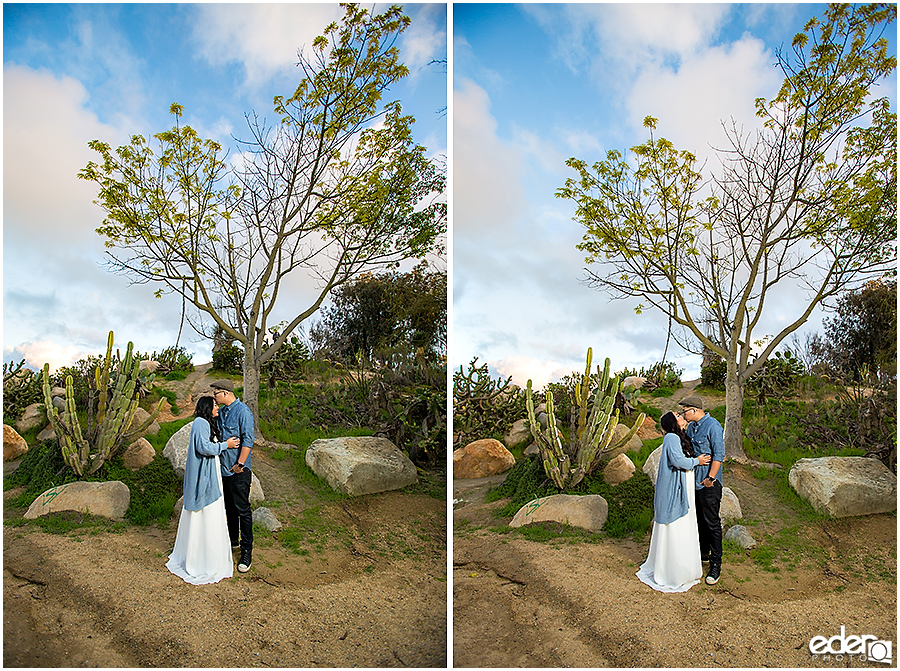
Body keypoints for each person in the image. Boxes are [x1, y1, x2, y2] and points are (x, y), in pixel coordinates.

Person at [166, 396, 239, 585]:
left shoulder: (206, 423)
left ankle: (207, 556)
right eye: (215, 405)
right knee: (207, 513)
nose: (217, 408)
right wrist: (226, 445)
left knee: (210, 514)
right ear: (207, 407)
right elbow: (203, 447)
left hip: (210, 474)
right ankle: (202, 560)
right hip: (205, 476)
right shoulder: (200, 422)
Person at [637, 411, 711, 592]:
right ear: (672, 422)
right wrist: (697, 461)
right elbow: (678, 461)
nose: (681, 416)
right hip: (676, 488)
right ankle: (673, 570)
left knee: (683, 524)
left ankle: (682, 567)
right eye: (678, 415)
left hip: (684, 486)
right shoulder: (671, 437)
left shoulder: (679, 437)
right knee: (677, 525)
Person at [678, 395, 725, 585]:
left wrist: (710, 478)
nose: (684, 414)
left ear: (695, 410)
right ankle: (703, 554)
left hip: (709, 483)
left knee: (712, 523)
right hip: (695, 482)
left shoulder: (713, 426)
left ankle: (716, 564)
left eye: (685, 411)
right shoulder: (691, 427)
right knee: (699, 520)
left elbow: (719, 454)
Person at [210, 379, 255, 573]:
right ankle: (233, 542)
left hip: (238, 471)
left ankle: (247, 551)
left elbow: (248, 440)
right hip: (223, 470)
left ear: (226, 393)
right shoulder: (223, 412)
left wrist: (239, 465)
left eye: (216, 393)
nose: (215, 397)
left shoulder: (242, 411)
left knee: (243, 510)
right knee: (229, 508)